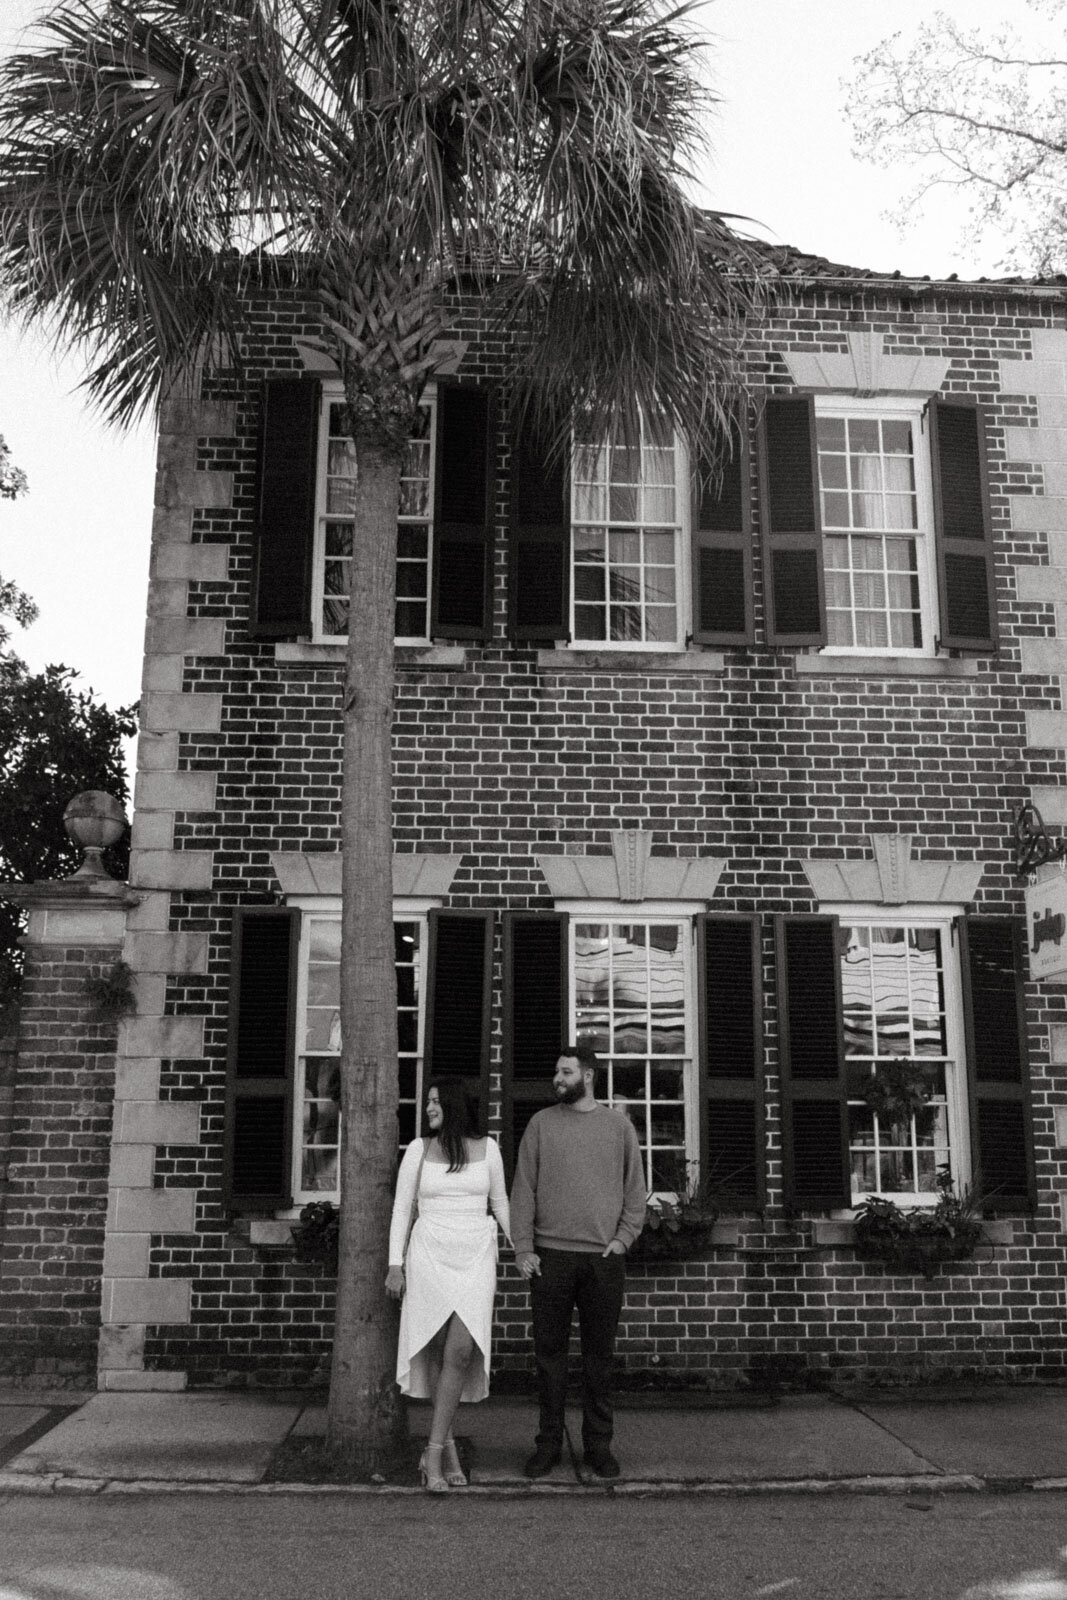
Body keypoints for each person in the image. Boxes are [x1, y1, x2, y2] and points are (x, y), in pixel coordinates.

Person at [510, 1043, 646, 1480]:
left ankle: (598, 1447)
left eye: (566, 1072)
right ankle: (547, 1445)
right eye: (556, 1071)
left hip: (602, 1261)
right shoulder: (540, 1125)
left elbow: (634, 1192)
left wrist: (624, 1240)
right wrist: (524, 1247)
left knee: (598, 1360)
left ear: (588, 1076)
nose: (558, 1079)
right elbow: (523, 1190)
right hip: (550, 1259)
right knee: (549, 1359)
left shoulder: (618, 1127)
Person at [385, 1079, 510, 1492]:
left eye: (436, 1101)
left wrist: (521, 1247)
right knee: (440, 1349)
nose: (429, 1108)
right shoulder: (418, 1151)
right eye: (427, 1102)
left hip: (475, 1254)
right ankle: (447, 1448)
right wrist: (395, 1265)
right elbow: (403, 1207)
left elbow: (500, 1203)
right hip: (430, 1254)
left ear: (455, 1105)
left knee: (460, 1351)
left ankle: (432, 1452)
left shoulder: (488, 1148)